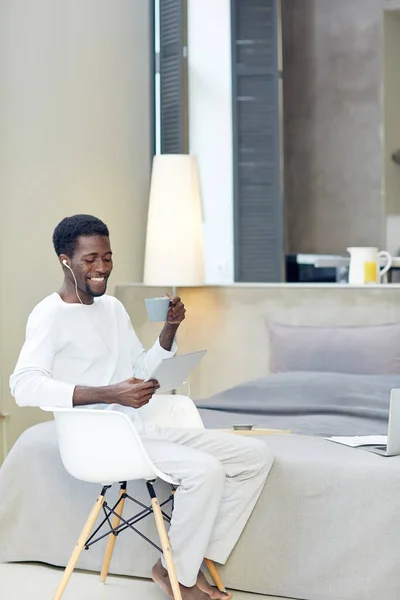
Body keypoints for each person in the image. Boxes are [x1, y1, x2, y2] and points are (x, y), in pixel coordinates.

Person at [10, 214, 274, 600]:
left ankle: (181, 561)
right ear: (66, 260)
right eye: (90, 259)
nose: (102, 268)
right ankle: (178, 575)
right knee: (205, 471)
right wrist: (111, 393)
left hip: (139, 429)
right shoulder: (49, 315)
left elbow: (136, 370)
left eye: (107, 256)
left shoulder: (112, 308)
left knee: (256, 457)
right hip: (98, 441)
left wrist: (168, 330)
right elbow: (23, 385)